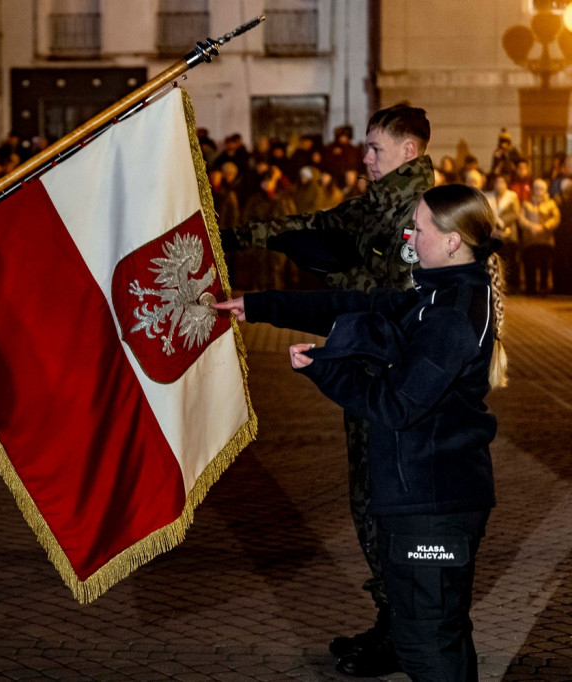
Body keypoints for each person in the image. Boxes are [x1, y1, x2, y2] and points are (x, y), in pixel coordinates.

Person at [216, 183, 506, 681]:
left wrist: (326, 369)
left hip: (433, 506)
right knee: (431, 638)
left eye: (420, 225)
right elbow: (356, 305)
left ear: (454, 240)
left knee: (429, 646)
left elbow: (397, 404)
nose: (410, 234)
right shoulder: (439, 293)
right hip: (422, 499)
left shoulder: (454, 313)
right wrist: (260, 306)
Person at [226, 104, 435, 678]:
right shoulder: (378, 204)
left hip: (397, 390)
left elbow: (389, 304)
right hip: (368, 380)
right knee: (368, 503)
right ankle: (392, 619)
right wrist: (234, 237)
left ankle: (407, 633)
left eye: (375, 148)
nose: (364, 157)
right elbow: (315, 229)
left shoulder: (421, 217)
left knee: (389, 507)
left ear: (409, 151)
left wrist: (324, 287)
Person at [518, 178, 560, 295]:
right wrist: (531, 226)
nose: (539, 191)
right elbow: (521, 218)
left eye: (541, 189)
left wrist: (544, 226)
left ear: (545, 190)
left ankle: (543, 287)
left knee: (544, 265)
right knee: (530, 264)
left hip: (545, 240)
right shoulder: (526, 204)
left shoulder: (551, 204)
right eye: (536, 188)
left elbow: (556, 218)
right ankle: (530, 288)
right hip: (530, 240)